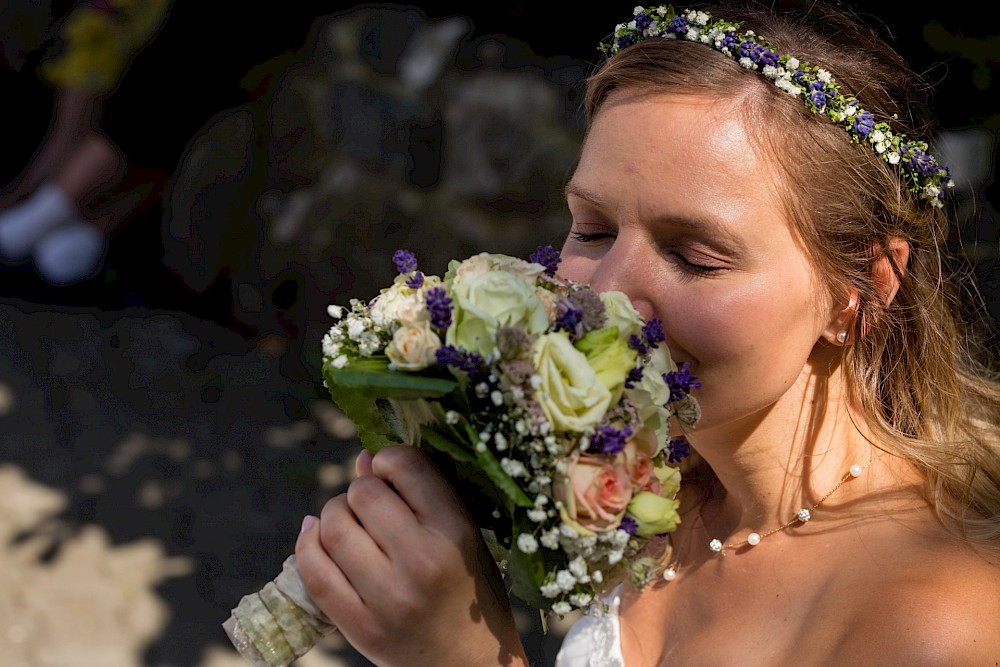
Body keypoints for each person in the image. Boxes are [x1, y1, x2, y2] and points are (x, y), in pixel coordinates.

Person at [293, 2, 1000, 665]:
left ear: (864, 289)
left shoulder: (933, 626)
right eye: (593, 228)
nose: (606, 291)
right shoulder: (659, 486)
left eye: (695, 256)